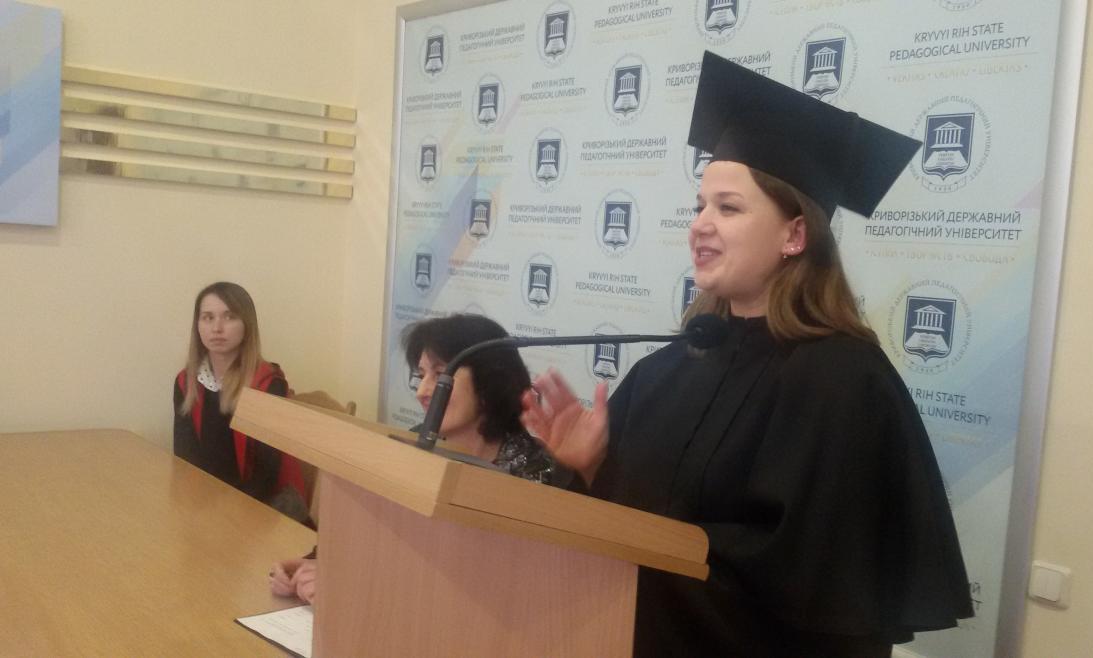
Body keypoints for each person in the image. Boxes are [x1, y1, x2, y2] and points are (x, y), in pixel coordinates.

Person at [520, 52, 973, 657]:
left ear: (795, 234)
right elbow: (636, 528)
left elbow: (815, 589)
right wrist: (592, 466)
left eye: (728, 208)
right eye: (699, 206)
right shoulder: (671, 367)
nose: (699, 225)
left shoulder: (843, 383)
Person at [270, 313, 570, 603]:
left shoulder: (535, 473)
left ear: (489, 383)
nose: (423, 391)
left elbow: (488, 583)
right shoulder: (413, 445)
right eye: (421, 375)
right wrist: (316, 563)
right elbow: (373, 528)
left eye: (440, 375)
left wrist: (354, 582)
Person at [174, 281, 308, 519]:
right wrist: (197, 508)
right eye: (208, 317)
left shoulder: (267, 384)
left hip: (262, 507)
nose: (217, 328)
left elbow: (267, 474)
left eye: (229, 317)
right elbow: (184, 458)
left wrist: (227, 514)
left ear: (247, 325)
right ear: (198, 326)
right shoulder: (187, 382)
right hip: (205, 507)